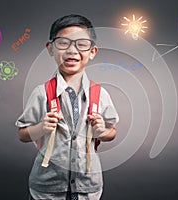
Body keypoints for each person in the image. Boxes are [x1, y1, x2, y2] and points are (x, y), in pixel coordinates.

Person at [15, 14, 119, 200]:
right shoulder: (41, 93)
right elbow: (22, 134)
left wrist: (102, 131)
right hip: (47, 189)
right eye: (63, 43)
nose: (72, 50)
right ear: (50, 48)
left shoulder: (100, 94)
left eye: (81, 44)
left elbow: (112, 132)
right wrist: (40, 128)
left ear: (92, 51)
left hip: (88, 188)